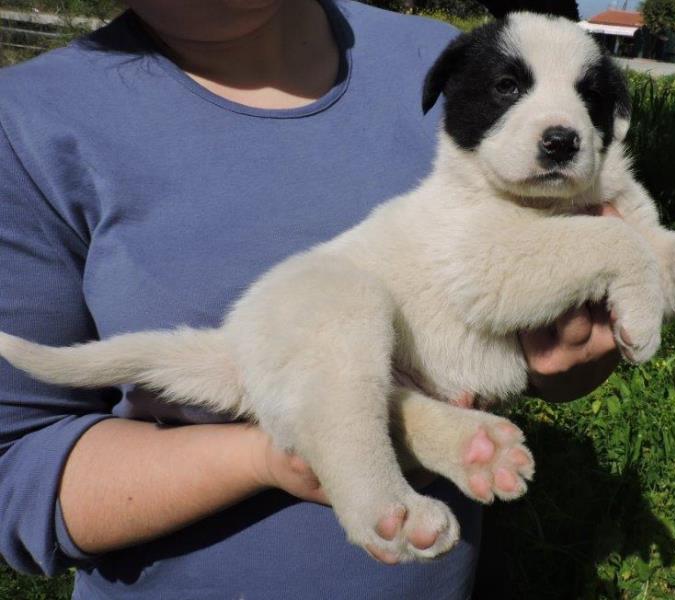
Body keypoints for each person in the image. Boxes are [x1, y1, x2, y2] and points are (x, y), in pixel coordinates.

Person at [0, 1, 620, 598]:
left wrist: (566, 359)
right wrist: (275, 454)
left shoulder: (463, 59)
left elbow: (533, 298)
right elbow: (17, 475)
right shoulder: (27, 123)